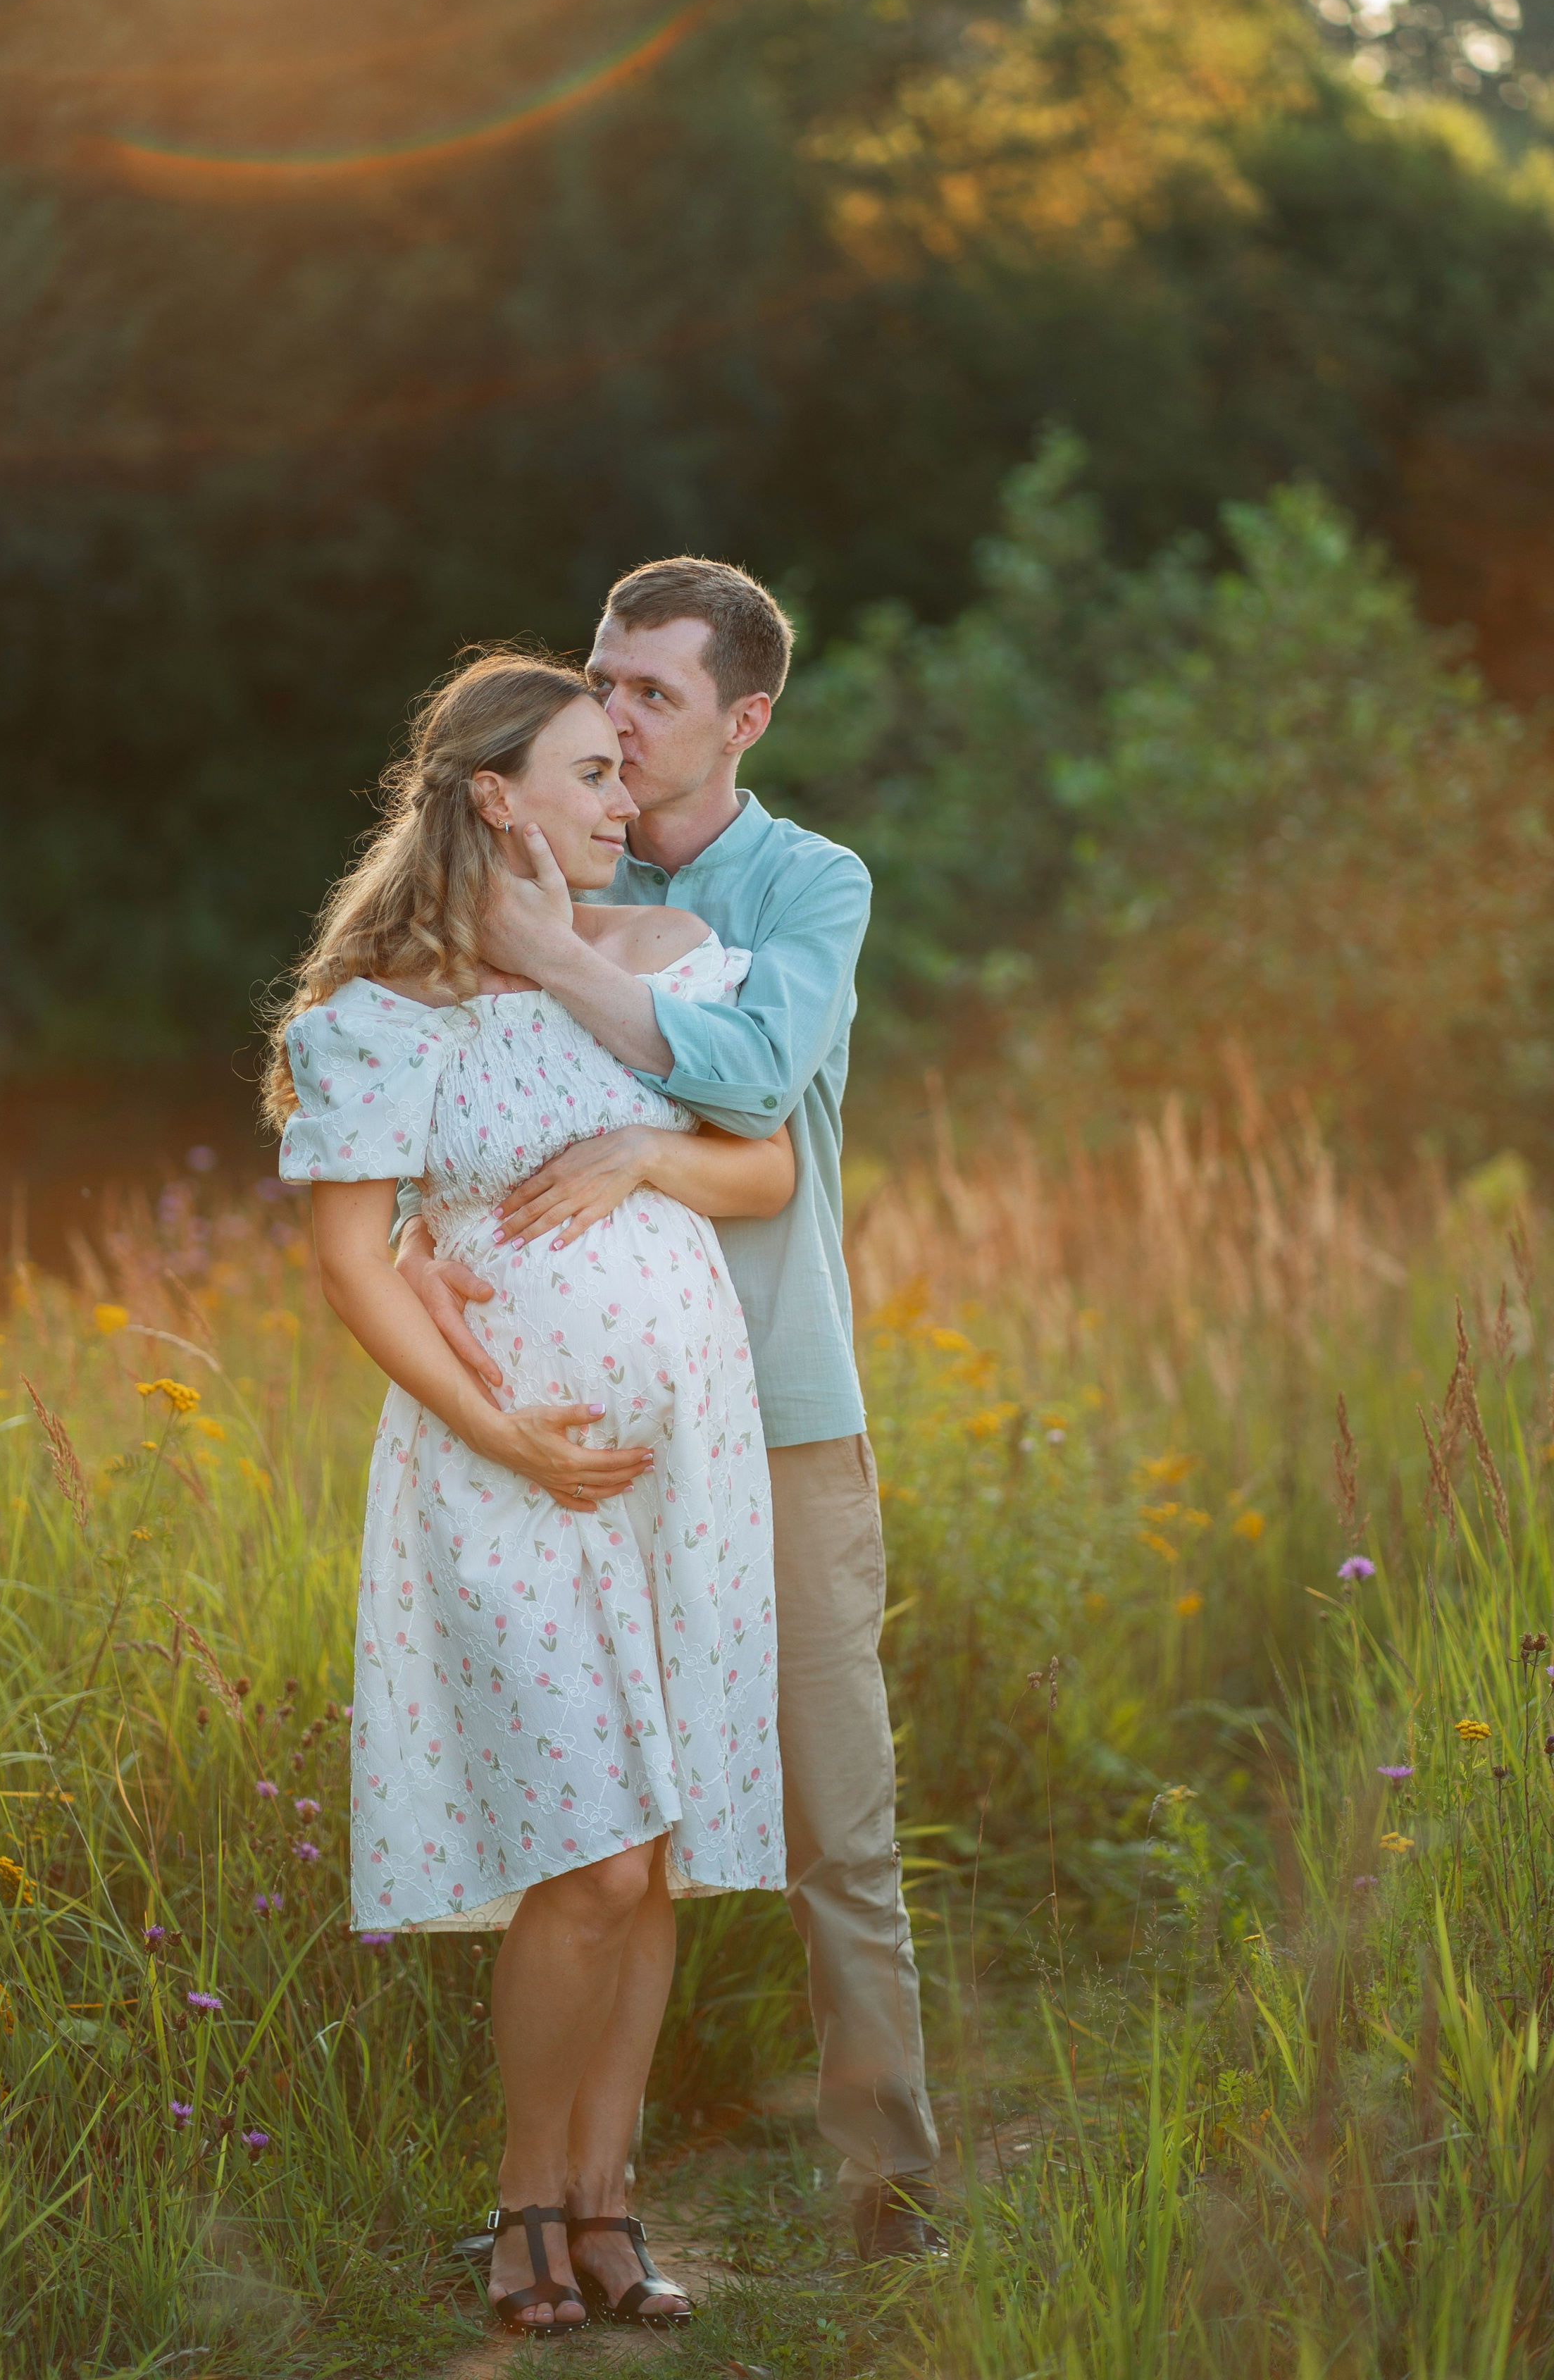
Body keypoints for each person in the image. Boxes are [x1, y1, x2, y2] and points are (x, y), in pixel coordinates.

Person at [395, 559, 945, 2262]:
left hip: (774, 1412)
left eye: (652, 695)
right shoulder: (546, 849)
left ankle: (884, 2178)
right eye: (601, 685)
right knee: (611, 1811)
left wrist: (625, 1100)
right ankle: (575, 2183)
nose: (614, 722)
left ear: (742, 719)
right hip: (572, 1438)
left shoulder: (808, 884)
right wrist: (419, 1231)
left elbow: (749, 1080)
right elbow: (434, 1087)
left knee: (830, 1819)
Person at [266, 650, 792, 2333]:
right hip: (510, 1470)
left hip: (678, 1470)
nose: (618, 800)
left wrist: (646, 1151)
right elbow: (355, 1265)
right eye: (585, 774)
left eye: (621, 772)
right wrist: (508, 1436)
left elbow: (764, 1158)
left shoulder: (658, 959)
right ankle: (520, 2204)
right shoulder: (379, 1013)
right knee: (590, 1853)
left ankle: (610, 2203)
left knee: (652, 1856)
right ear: (493, 794)